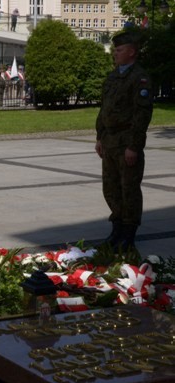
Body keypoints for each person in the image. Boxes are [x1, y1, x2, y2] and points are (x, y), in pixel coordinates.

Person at [95, 31, 153, 250]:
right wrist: (100, 136)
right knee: (110, 188)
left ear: (131, 52)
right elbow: (105, 109)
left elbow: (142, 114)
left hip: (126, 141)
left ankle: (129, 234)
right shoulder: (113, 76)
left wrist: (134, 146)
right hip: (109, 140)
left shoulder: (140, 78)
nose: (115, 54)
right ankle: (116, 229)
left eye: (119, 50)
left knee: (128, 188)